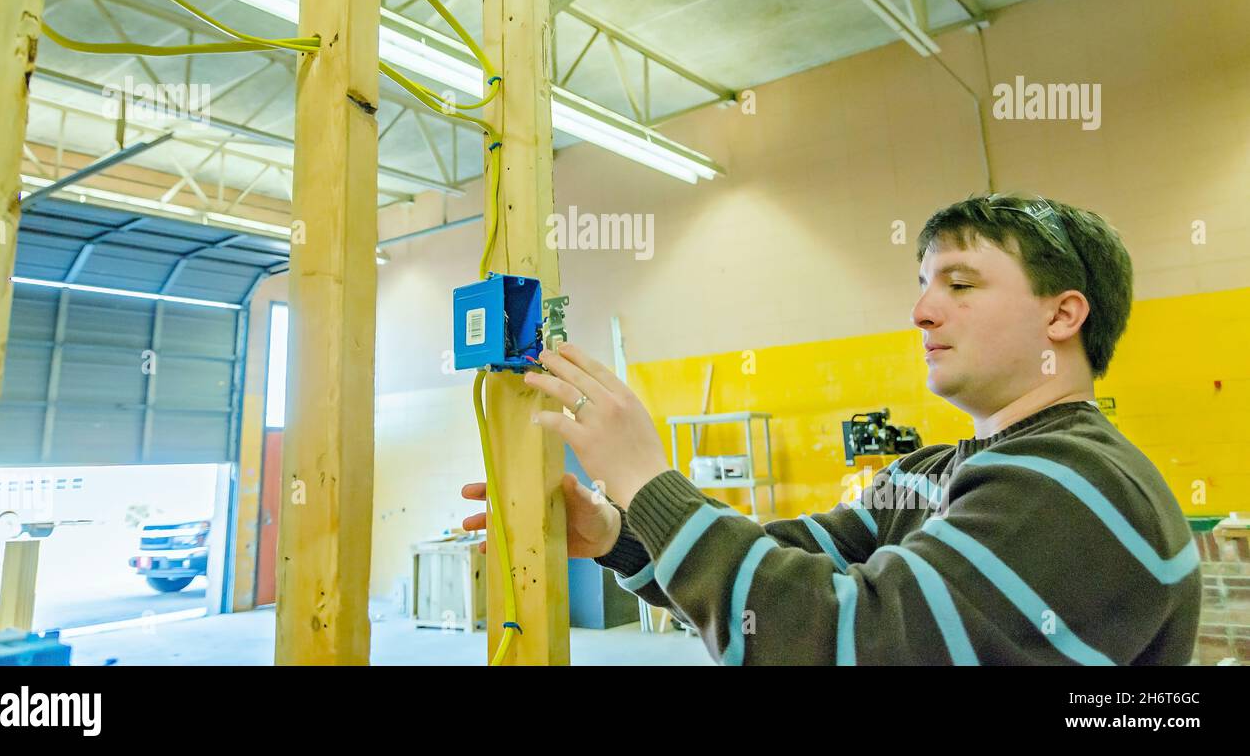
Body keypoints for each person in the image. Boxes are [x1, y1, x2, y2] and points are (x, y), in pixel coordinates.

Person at [461, 193, 1201, 664]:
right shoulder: (935, 471)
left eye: (961, 284)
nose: (921, 311)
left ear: (1062, 315)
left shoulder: (1074, 483)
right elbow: (793, 560)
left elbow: (841, 640)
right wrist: (623, 530)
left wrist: (649, 481)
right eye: (922, 285)